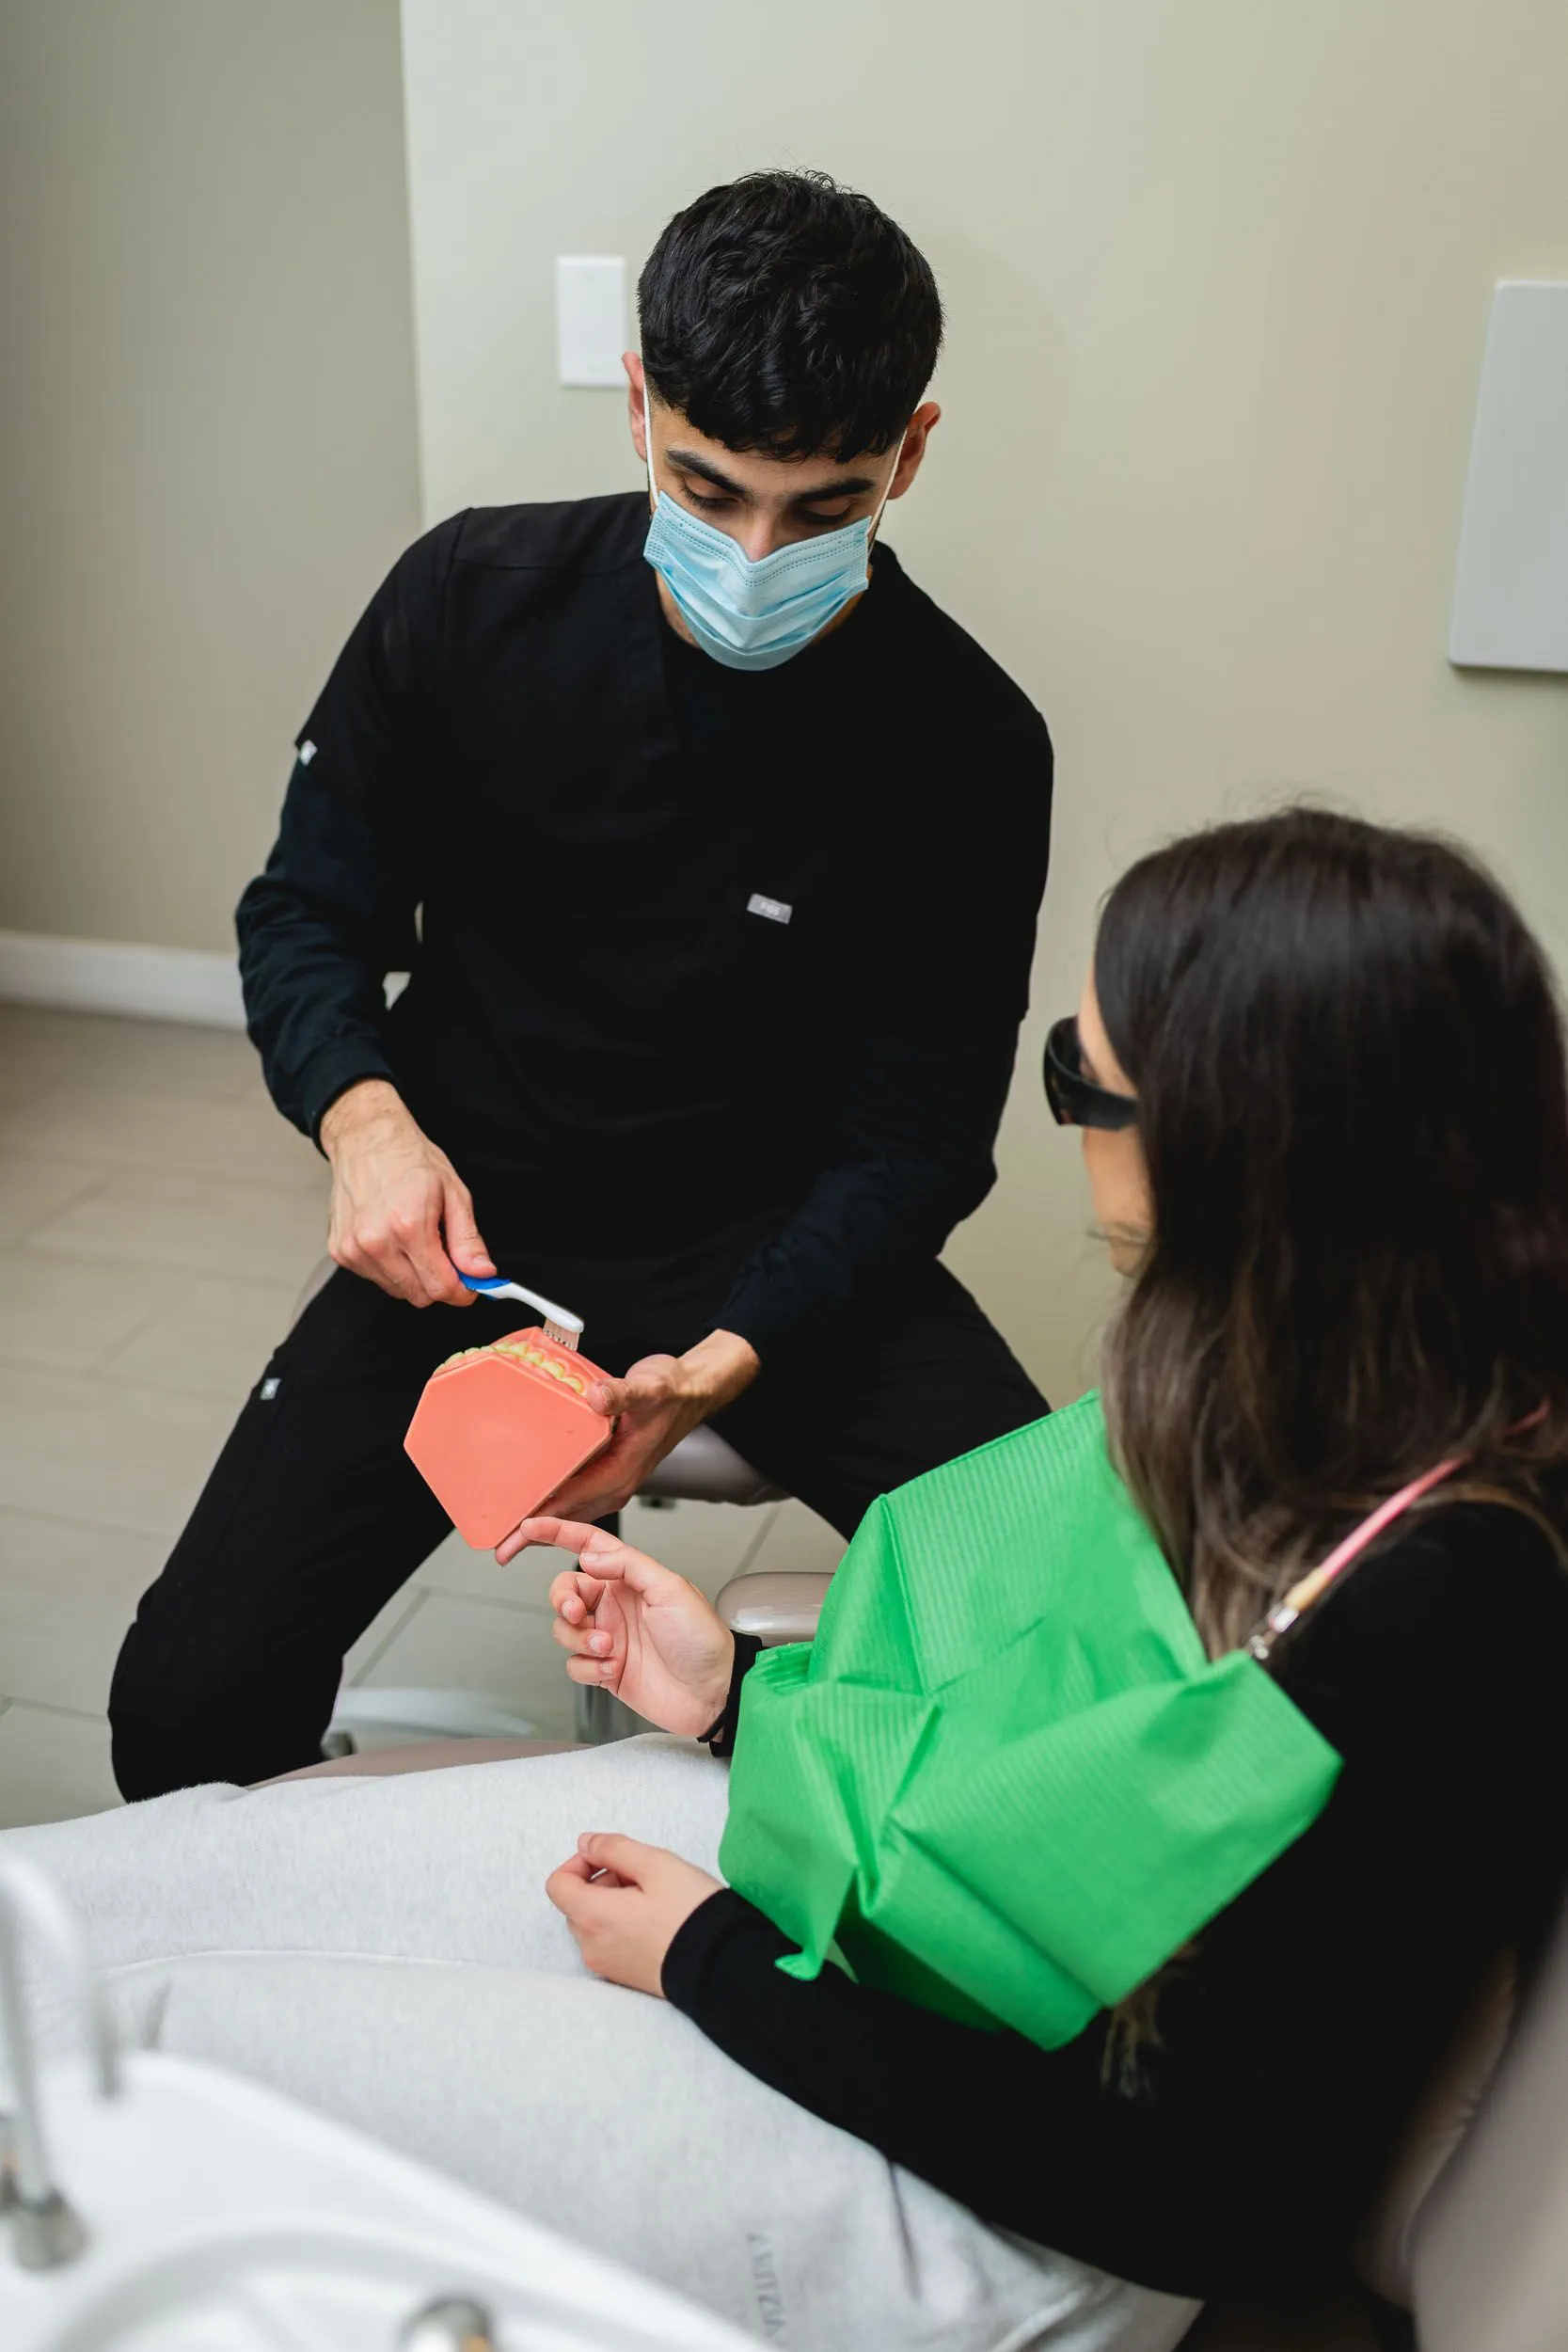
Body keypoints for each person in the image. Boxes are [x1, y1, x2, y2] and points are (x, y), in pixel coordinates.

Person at [19, 808, 1568, 2351]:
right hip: (867, 1957)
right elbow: (1074, 1774)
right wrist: (733, 1704)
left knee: (154, 2046)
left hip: (982, 2207)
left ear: (1246, 1141)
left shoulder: (1438, 1608)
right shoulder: (1273, 1393)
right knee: (129, 1895)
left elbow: (1188, 2193)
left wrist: (712, 1963)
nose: (1071, 1118)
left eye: (1081, 1084)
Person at [107, 168, 1054, 1798]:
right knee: (184, 1715)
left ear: (908, 453)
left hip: (785, 1264)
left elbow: (916, 1139)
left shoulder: (971, 744)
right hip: (476, 1240)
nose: (755, 554)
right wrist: (364, 1125)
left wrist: (730, 1356)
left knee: (1077, 1624)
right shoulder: (467, 603)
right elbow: (305, 916)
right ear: (636, 409)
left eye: (822, 508)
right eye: (708, 486)